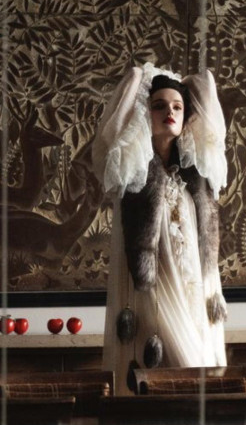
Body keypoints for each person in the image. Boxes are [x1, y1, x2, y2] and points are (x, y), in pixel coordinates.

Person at [92, 62, 228, 392]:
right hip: (152, 298)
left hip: (192, 295)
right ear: (144, 113)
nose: (169, 112)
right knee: (175, 376)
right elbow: (112, 130)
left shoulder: (196, 174)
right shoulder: (131, 170)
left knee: (196, 381)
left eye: (178, 107)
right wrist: (139, 78)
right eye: (159, 106)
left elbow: (207, 91)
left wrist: (188, 84)